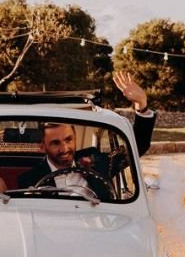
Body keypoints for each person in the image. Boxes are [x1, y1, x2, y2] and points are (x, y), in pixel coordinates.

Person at [15, 72, 156, 191]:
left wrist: (141, 105)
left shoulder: (97, 162)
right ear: (42, 146)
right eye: (55, 143)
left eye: (68, 139)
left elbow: (137, 147)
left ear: (75, 137)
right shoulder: (28, 180)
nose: (64, 149)